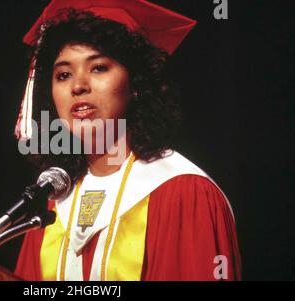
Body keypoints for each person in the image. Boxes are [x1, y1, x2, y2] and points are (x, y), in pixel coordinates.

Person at [12, 0, 241, 281]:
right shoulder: (51, 207)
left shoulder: (184, 192)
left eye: (98, 68)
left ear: (136, 84)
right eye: (63, 74)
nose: (78, 85)